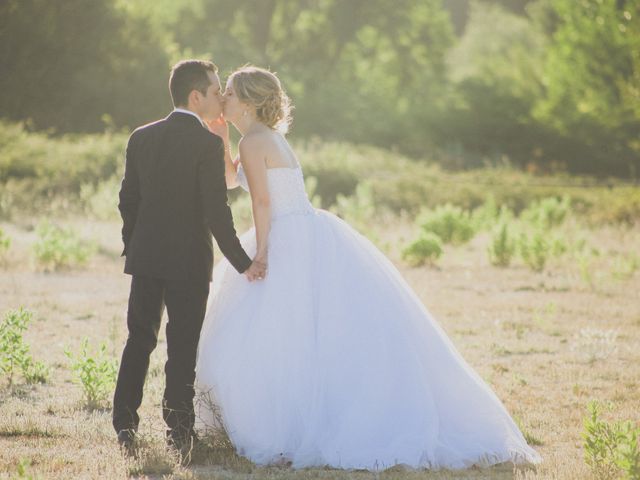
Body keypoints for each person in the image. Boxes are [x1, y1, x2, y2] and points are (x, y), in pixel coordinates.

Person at [194, 65, 542, 470]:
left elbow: (262, 202)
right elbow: (233, 180)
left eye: (231, 93)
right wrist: (220, 137)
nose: (225, 99)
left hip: (284, 235)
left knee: (283, 330)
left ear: (249, 101)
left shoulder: (256, 141)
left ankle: (287, 424)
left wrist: (263, 251)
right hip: (306, 229)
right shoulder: (262, 138)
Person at [113, 59, 265, 457]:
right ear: (196, 96)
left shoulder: (140, 136)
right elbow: (217, 212)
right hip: (189, 264)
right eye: (216, 91)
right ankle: (179, 431)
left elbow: (127, 200)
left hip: (146, 258)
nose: (221, 97)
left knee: (138, 339)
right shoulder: (207, 145)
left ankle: (124, 425)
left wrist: (136, 244)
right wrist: (242, 261)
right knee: (182, 345)